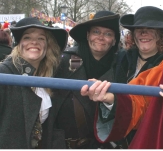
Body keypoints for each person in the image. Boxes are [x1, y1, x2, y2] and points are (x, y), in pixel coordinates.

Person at [81, 6, 163, 147]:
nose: (144, 33)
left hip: (152, 141)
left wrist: (114, 100)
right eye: (139, 29)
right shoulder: (121, 58)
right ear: (133, 34)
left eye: (151, 29)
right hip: (118, 142)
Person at [42, 10, 121, 149]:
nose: (101, 37)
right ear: (87, 35)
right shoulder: (64, 61)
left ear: (114, 40)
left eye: (108, 34)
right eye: (96, 32)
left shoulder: (121, 66)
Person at [0, 17, 68, 149]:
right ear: (18, 44)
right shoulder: (4, 74)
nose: (34, 42)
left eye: (41, 38)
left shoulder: (48, 78)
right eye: (27, 37)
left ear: (47, 46)